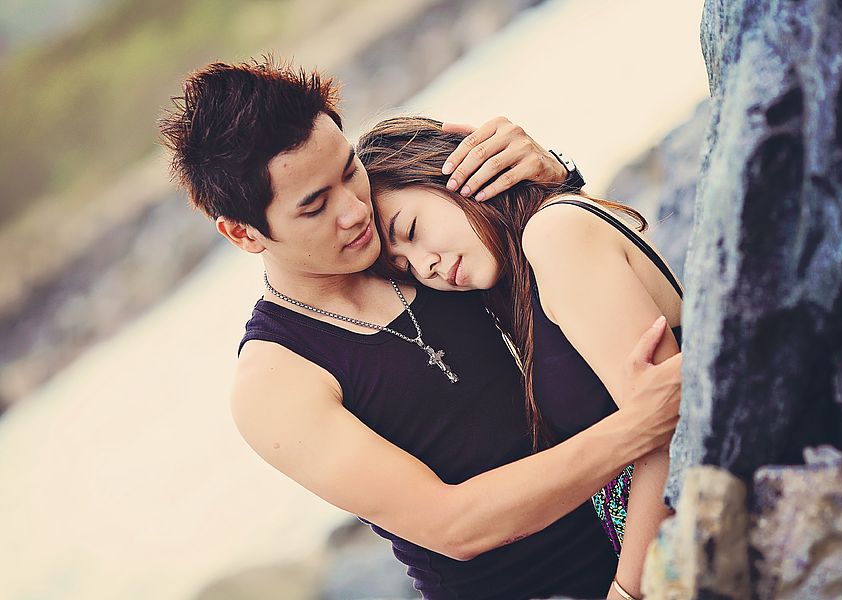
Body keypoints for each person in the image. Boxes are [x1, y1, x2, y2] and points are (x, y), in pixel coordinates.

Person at [159, 57, 681, 600]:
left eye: (347, 170)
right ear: (243, 234)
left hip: (634, 547)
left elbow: (566, 275)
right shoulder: (276, 381)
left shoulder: (416, 231)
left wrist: (548, 174)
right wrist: (639, 427)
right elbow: (454, 526)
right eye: (315, 206)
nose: (354, 210)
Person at [357, 116, 685, 599]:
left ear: (460, 174)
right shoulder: (516, 284)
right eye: (403, 266)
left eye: (410, 229)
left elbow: (672, 427)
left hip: (689, 549)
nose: (424, 263)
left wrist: (627, 590)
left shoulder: (555, 234)